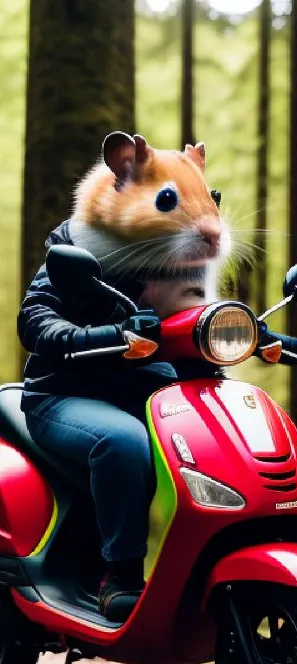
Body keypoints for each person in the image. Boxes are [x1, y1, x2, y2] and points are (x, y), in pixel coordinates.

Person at [18, 222, 178, 623]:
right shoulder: (81, 241)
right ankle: (119, 577)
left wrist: (252, 331)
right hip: (63, 392)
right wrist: (95, 335)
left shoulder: (183, 252)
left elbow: (200, 310)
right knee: (122, 440)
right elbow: (36, 315)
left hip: (147, 393)